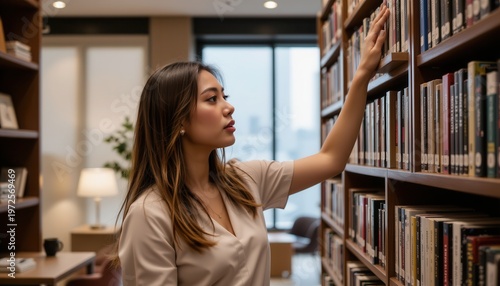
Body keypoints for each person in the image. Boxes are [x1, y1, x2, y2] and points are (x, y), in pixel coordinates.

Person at [114, 4, 389, 285]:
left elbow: (331, 159)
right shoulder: (149, 214)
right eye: (212, 99)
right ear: (179, 120)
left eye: (225, 96)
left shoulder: (245, 180)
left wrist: (362, 75)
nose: (229, 107)